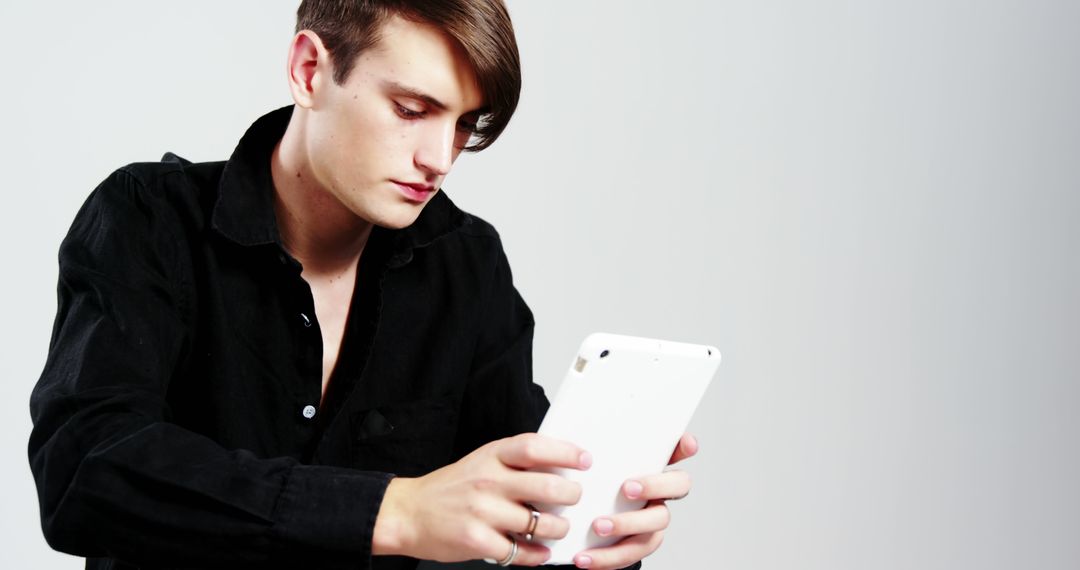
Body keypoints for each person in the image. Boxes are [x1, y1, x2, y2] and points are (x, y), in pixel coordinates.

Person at [28, 1, 696, 569]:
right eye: (412, 109)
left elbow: (520, 520)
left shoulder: (466, 263)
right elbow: (83, 469)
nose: (439, 159)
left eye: (465, 124)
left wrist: (598, 530)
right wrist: (393, 511)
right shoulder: (149, 218)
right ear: (309, 70)